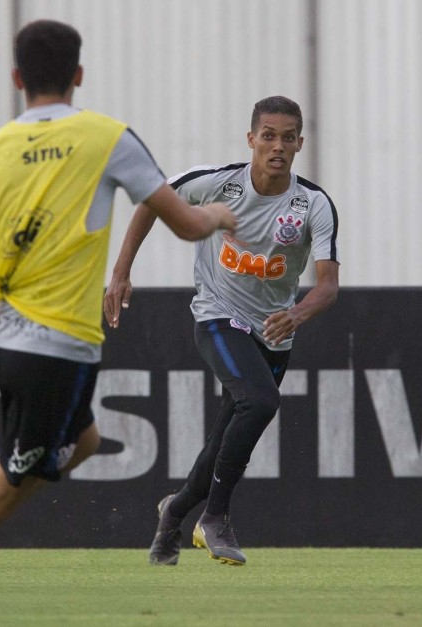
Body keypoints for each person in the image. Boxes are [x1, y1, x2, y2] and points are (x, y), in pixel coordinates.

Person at [0, 19, 235, 613]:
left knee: (83, 439)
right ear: (79, 76)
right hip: (54, 350)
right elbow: (187, 222)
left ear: (16, 78)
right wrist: (218, 214)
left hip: (7, 341)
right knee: (10, 482)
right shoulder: (108, 137)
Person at [104, 96, 340, 567]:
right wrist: (121, 272)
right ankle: (215, 517)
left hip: (274, 330)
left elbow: (328, 286)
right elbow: (152, 201)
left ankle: (172, 516)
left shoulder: (312, 203)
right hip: (217, 315)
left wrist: (296, 314)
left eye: (287, 137)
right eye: (268, 136)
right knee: (261, 402)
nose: (277, 146)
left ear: (299, 143)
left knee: (222, 441)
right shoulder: (216, 183)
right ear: (250, 139)